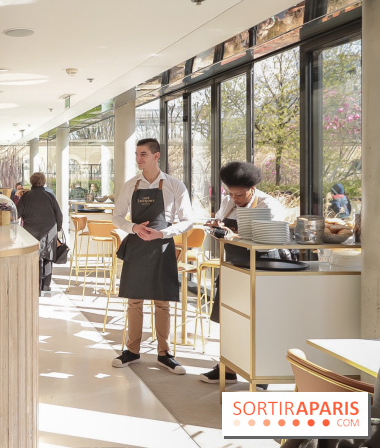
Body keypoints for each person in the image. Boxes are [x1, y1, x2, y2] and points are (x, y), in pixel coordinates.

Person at [111, 138, 193, 374]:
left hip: (162, 246)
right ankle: (132, 350)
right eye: (137, 154)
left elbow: (188, 220)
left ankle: (164, 353)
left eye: (144, 154)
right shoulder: (131, 185)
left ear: (157, 156)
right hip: (137, 246)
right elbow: (117, 217)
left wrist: (163, 233)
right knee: (134, 301)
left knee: (162, 301)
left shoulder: (175, 185)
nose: (139, 158)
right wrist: (133, 228)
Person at [200, 161, 281, 386]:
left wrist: (233, 236)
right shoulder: (228, 202)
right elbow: (220, 226)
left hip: (262, 266)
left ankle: (262, 372)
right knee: (229, 318)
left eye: (239, 195)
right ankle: (227, 368)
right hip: (233, 264)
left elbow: (268, 241)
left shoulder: (267, 204)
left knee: (259, 321)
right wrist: (215, 228)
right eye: (231, 193)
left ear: (252, 189)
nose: (234, 198)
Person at [16, 172, 63, 295]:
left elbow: (16, 214)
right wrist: (58, 229)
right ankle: (46, 286)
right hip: (49, 230)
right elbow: (59, 214)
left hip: (31, 231)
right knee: (48, 257)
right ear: (44, 182)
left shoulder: (26, 197)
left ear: (31, 182)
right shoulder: (50, 196)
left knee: (34, 258)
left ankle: (35, 287)